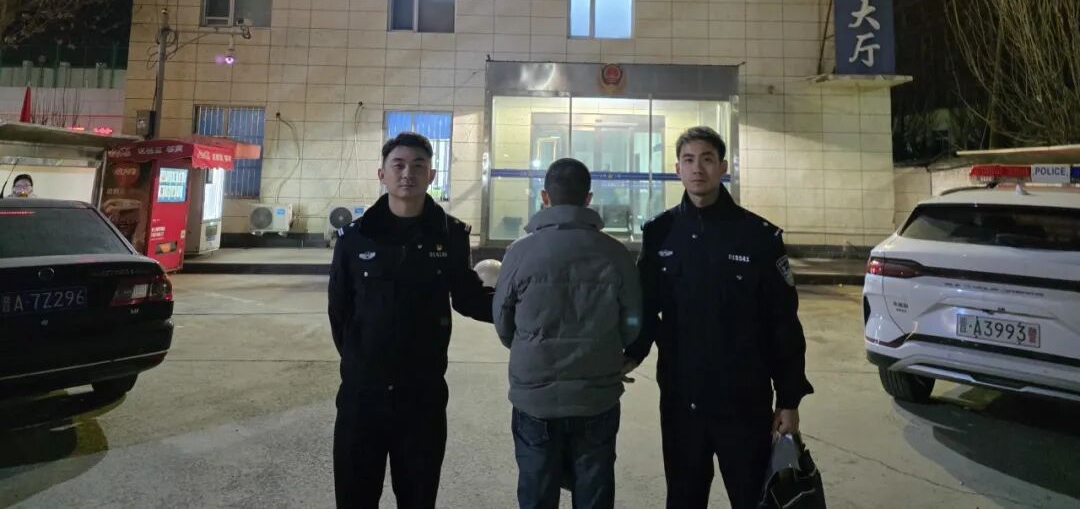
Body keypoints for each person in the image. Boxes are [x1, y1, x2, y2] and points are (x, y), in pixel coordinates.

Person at [623, 126, 813, 509]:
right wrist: (628, 355)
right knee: (683, 498)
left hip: (743, 401)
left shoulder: (757, 236)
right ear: (677, 169)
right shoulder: (660, 233)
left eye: (707, 159)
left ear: (723, 167)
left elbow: (782, 322)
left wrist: (789, 398)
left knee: (751, 498)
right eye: (689, 160)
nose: (698, 169)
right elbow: (646, 307)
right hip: (681, 398)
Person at [328, 131, 494, 509]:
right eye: (398, 165)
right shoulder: (354, 238)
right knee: (355, 497)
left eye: (418, 166)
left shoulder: (451, 236)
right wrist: (362, 360)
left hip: (422, 396)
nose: (408, 174)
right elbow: (340, 311)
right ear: (382, 174)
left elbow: (468, 298)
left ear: (431, 175)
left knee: (418, 498)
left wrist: (524, 308)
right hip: (362, 396)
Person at [493, 158, 642, 509]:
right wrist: (612, 349)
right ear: (588, 199)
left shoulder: (519, 252)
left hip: (535, 396)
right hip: (596, 395)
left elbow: (502, 321)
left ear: (544, 196)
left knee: (536, 491)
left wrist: (527, 347)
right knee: (594, 492)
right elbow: (633, 321)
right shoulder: (615, 253)